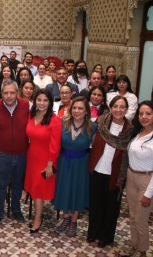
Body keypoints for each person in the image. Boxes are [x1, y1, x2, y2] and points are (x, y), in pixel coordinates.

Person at [122, 101, 153, 257]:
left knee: (141, 220)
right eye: (141, 113)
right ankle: (135, 247)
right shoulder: (137, 133)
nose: (144, 117)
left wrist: (148, 194)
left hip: (148, 181)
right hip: (131, 177)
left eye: (148, 114)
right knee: (133, 216)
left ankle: (142, 251)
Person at [87, 96, 133, 248]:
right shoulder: (100, 122)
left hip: (115, 174)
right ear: (110, 107)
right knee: (95, 205)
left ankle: (105, 237)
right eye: (115, 106)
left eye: (122, 107)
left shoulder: (129, 130)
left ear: (126, 109)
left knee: (111, 208)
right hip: (98, 169)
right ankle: (93, 233)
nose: (118, 110)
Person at [53, 96, 97, 237]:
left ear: (86, 111)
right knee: (65, 189)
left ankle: (73, 221)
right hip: (64, 161)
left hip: (81, 164)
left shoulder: (93, 127)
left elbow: (96, 148)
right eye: (75, 108)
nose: (77, 111)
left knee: (78, 190)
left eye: (80, 108)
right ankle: (65, 218)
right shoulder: (62, 123)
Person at [0, 79, 30, 228]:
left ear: (17, 93)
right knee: (1, 185)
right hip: (2, 154)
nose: (9, 96)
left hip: (21, 153)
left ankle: (16, 210)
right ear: (1, 93)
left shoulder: (26, 105)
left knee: (17, 184)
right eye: (6, 93)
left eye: (12, 93)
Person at [24, 89, 62, 233]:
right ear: (35, 101)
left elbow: (55, 145)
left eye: (45, 100)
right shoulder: (31, 115)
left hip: (46, 160)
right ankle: (37, 216)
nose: (42, 103)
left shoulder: (55, 120)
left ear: (50, 102)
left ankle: (38, 219)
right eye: (39, 100)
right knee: (34, 189)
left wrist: (50, 165)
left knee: (39, 191)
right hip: (32, 157)